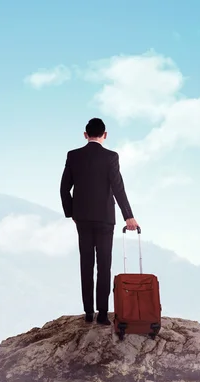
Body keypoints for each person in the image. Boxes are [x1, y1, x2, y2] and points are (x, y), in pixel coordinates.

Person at [60, 117, 139, 326]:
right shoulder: (111, 157)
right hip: (105, 218)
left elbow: (64, 189)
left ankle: (88, 313)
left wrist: (72, 213)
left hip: (82, 218)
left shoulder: (73, 155)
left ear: (85, 135)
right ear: (105, 135)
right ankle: (102, 314)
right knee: (104, 265)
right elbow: (118, 187)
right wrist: (128, 216)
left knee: (86, 264)